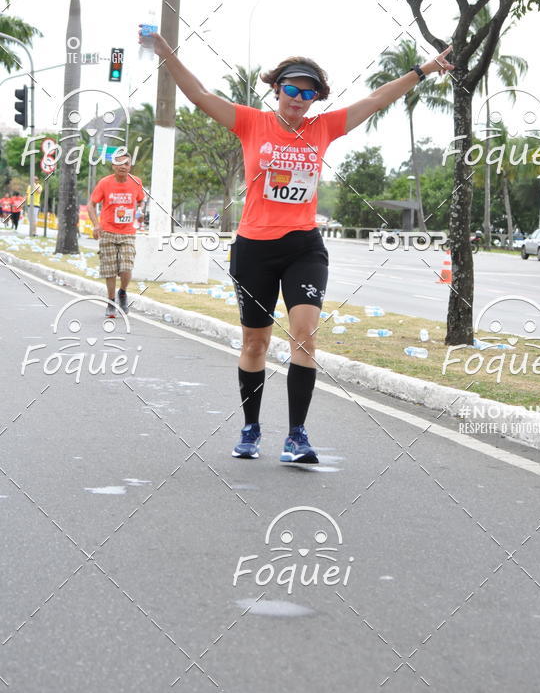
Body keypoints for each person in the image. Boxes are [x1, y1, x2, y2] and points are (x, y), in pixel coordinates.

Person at [142, 28, 453, 464]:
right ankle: (251, 428)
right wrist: (166, 52)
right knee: (255, 343)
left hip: (304, 247)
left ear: (315, 99)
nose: (298, 98)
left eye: (308, 93)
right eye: (291, 89)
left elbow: (375, 100)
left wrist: (424, 70)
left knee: (304, 337)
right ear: (277, 90)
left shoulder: (322, 128)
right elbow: (199, 95)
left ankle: (296, 436)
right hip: (253, 248)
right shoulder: (251, 122)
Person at [87, 151, 145, 318]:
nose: (123, 166)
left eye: (126, 163)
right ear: (113, 166)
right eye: (119, 163)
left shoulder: (136, 182)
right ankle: (111, 302)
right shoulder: (105, 183)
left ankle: (122, 292)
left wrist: (140, 211)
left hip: (127, 232)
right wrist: (96, 225)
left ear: (130, 166)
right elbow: (91, 205)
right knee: (110, 270)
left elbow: (141, 200)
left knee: (126, 267)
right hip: (107, 231)